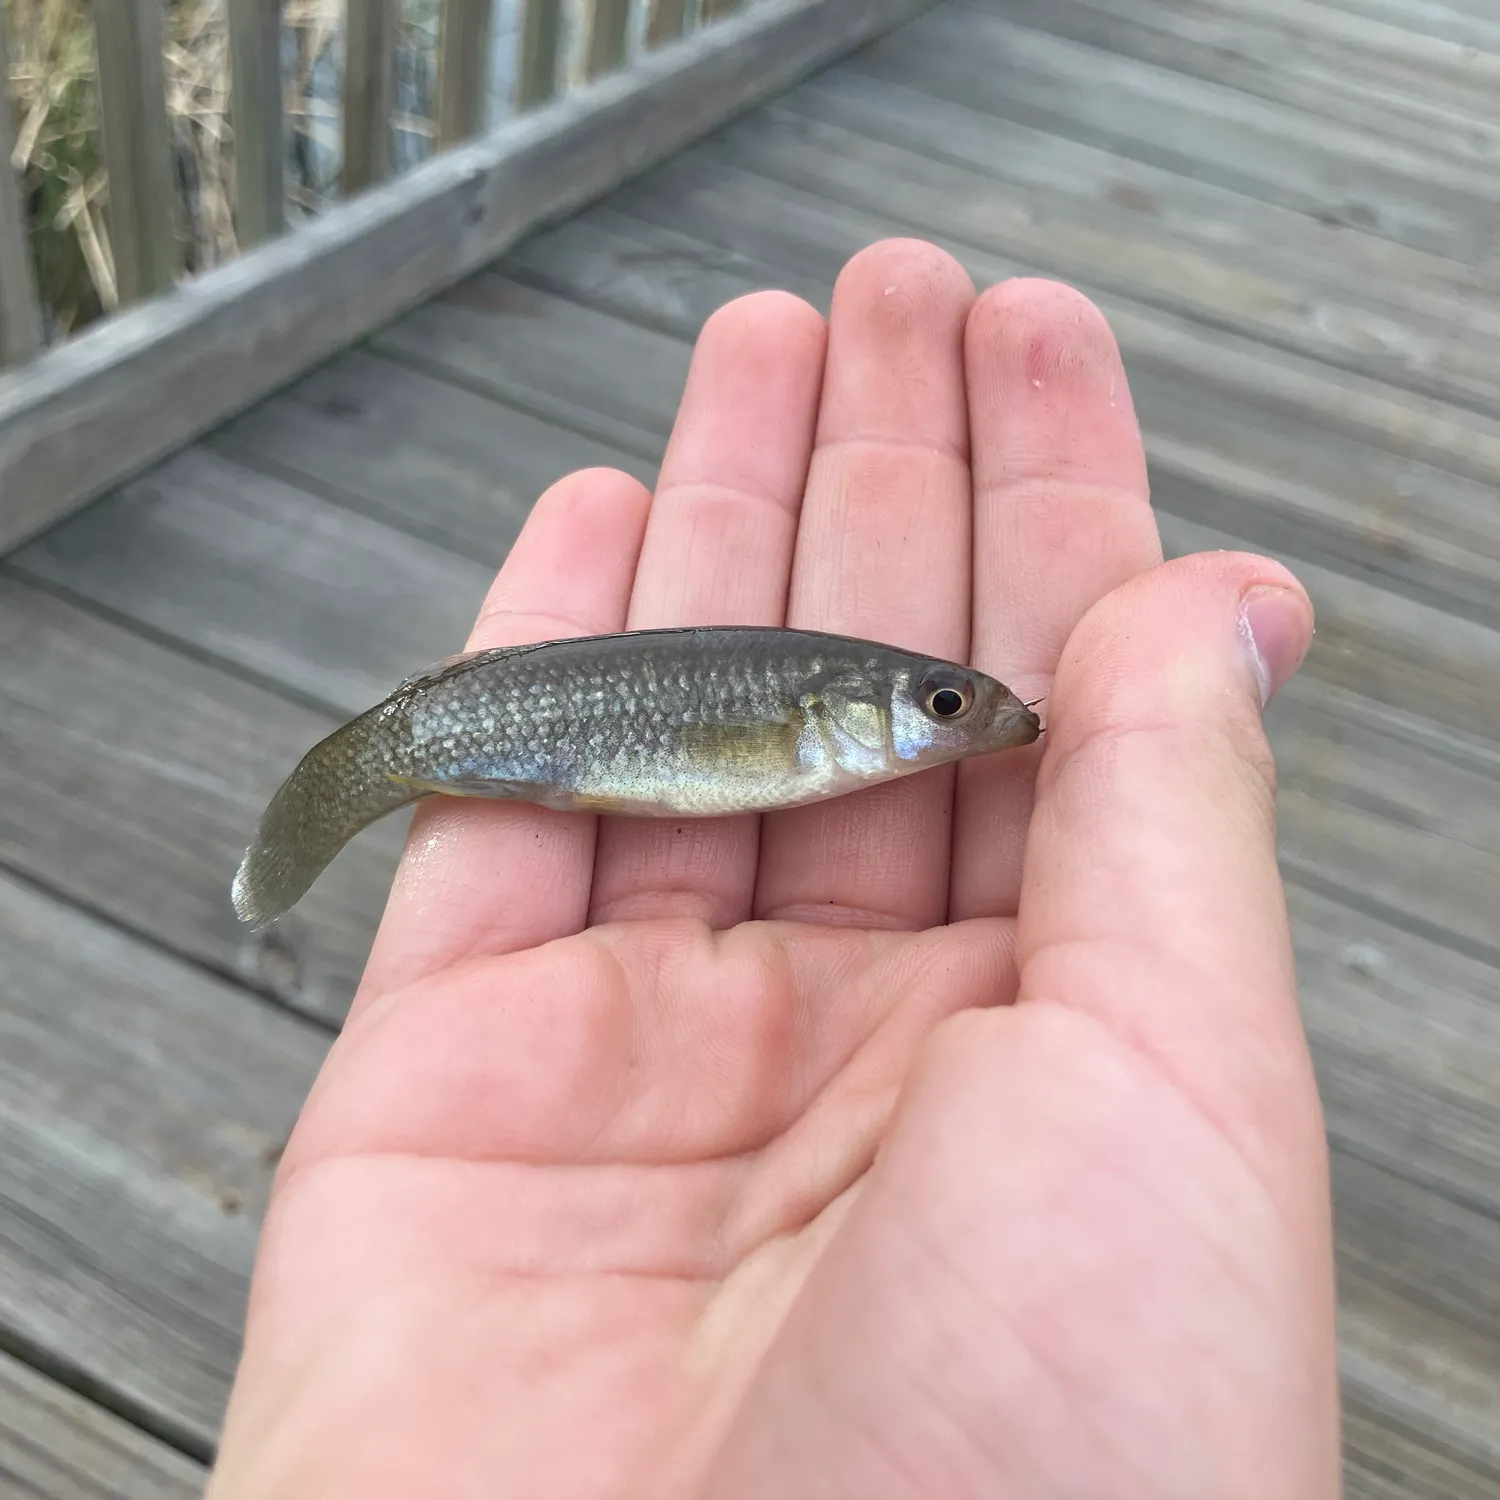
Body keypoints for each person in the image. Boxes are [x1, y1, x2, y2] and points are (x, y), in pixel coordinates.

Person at [205, 241, 1339, 1498]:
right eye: (946, 703)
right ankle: (345, 789)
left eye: (952, 701)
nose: (976, 715)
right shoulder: (807, 727)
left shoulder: (853, 739)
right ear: (846, 709)